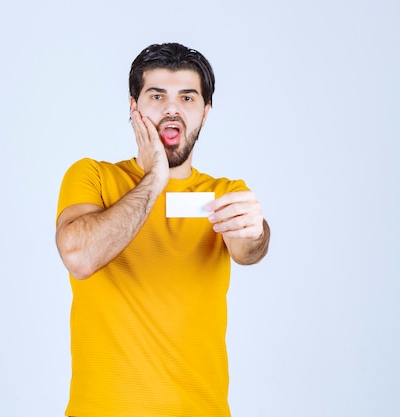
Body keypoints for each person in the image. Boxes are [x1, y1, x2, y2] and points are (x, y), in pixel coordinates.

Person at [55, 42, 270, 417]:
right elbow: (79, 256)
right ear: (133, 107)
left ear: (205, 112)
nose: (172, 108)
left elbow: (248, 250)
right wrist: (155, 176)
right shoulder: (93, 176)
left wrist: (257, 232)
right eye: (157, 95)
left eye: (187, 97)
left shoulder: (224, 193)